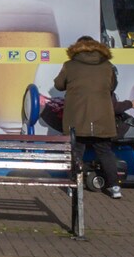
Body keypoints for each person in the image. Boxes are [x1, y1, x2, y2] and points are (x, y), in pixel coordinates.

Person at [51, 36, 125, 198]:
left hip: (77, 118)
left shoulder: (70, 66)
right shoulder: (107, 66)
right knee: (105, 152)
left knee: (76, 152)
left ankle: (73, 186)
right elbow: (112, 86)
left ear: (76, 48)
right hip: (102, 118)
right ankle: (114, 187)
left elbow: (59, 85)